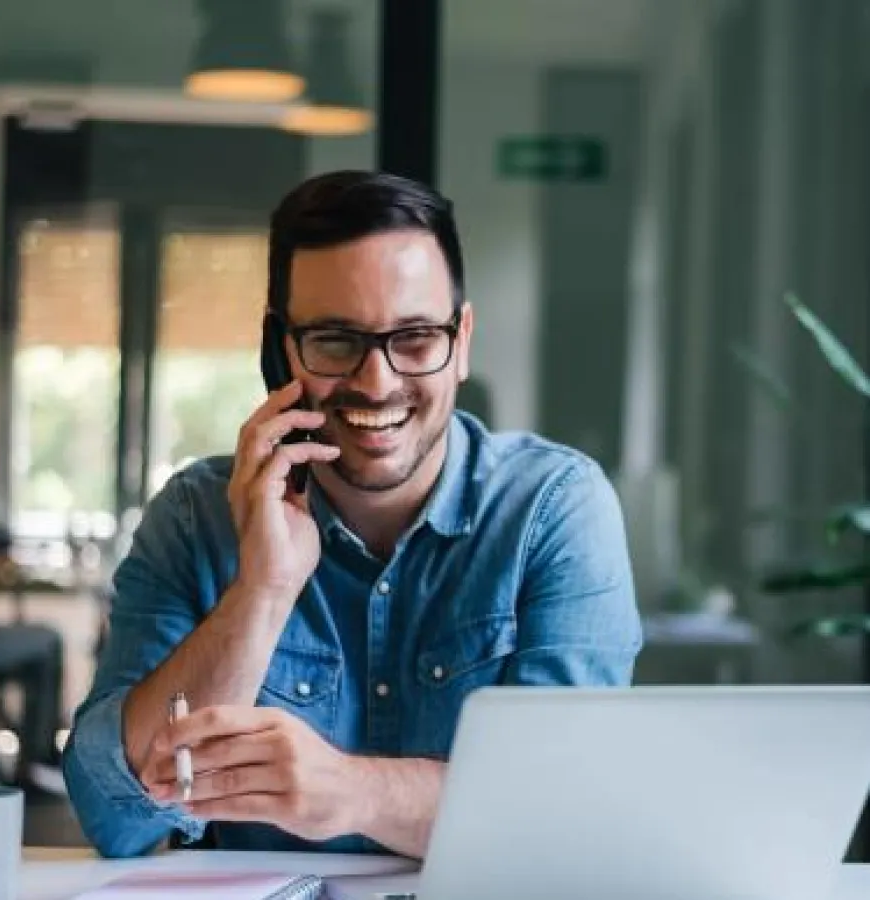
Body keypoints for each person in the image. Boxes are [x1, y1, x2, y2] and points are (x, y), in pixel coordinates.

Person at [63, 171, 642, 860]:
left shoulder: (554, 509)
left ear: (461, 342)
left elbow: (565, 816)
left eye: (415, 337)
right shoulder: (195, 516)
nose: (377, 382)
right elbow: (114, 818)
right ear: (281, 350)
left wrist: (350, 790)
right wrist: (262, 591)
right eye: (336, 340)